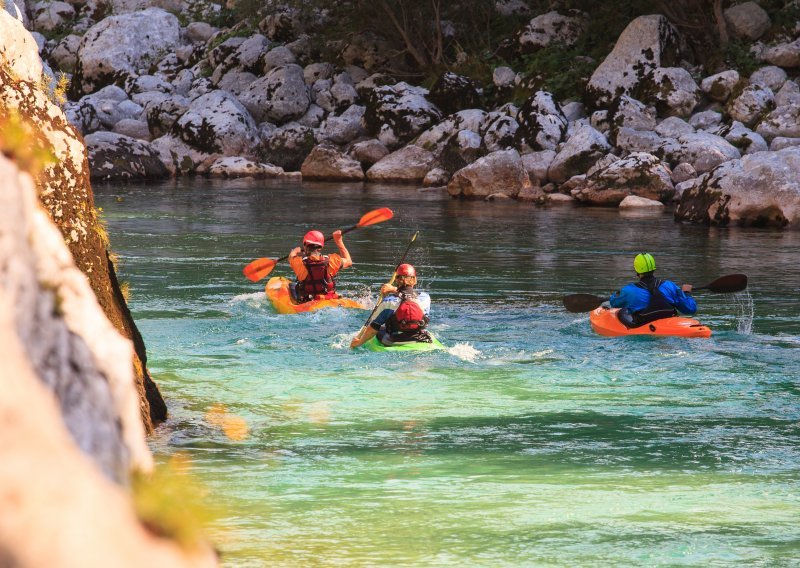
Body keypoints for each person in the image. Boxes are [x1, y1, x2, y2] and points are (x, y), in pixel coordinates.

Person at [350, 263, 431, 348]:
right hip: (420, 338)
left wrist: (358, 343)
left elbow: (372, 330)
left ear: (396, 280)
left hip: (395, 340)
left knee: (380, 328)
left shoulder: (388, 302)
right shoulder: (425, 298)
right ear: (415, 280)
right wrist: (393, 290)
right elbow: (408, 295)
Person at [607, 253, 697, 328]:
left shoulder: (629, 291)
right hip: (669, 324)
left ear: (636, 269)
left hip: (643, 326)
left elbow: (614, 303)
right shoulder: (670, 286)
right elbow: (690, 309)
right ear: (654, 267)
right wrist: (686, 293)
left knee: (622, 312)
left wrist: (616, 295)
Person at [288, 229, 352, 303]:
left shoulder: (300, 264)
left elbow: (291, 257)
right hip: (330, 301)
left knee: (292, 285)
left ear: (305, 246)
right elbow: (349, 261)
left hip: (309, 302)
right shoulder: (332, 261)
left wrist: (295, 251)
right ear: (321, 247)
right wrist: (338, 240)